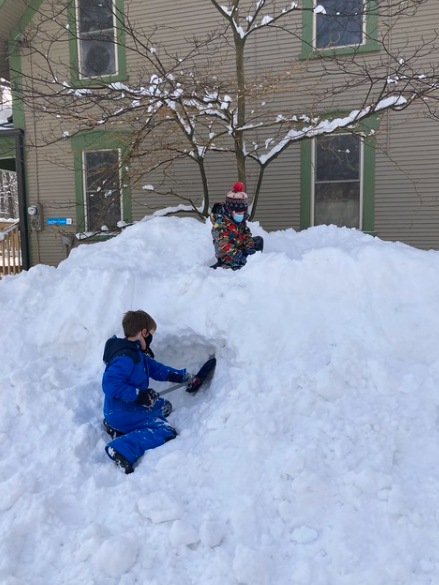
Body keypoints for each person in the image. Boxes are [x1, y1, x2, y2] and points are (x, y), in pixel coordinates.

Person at [101, 309, 189, 474]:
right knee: (165, 430)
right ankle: (122, 447)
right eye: (150, 335)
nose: (150, 340)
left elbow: (157, 370)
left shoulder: (136, 354)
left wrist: (182, 377)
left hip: (123, 408)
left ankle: (116, 428)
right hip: (122, 410)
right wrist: (139, 395)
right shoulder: (126, 357)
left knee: (164, 406)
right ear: (144, 332)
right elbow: (110, 385)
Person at [210, 181, 263, 270]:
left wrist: (249, 246)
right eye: (238, 213)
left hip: (240, 248)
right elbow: (224, 244)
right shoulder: (220, 224)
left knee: (258, 241)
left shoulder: (239, 221)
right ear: (231, 211)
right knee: (234, 261)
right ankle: (233, 267)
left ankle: (255, 262)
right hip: (228, 255)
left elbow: (246, 234)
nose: (241, 215)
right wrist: (237, 255)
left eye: (242, 212)